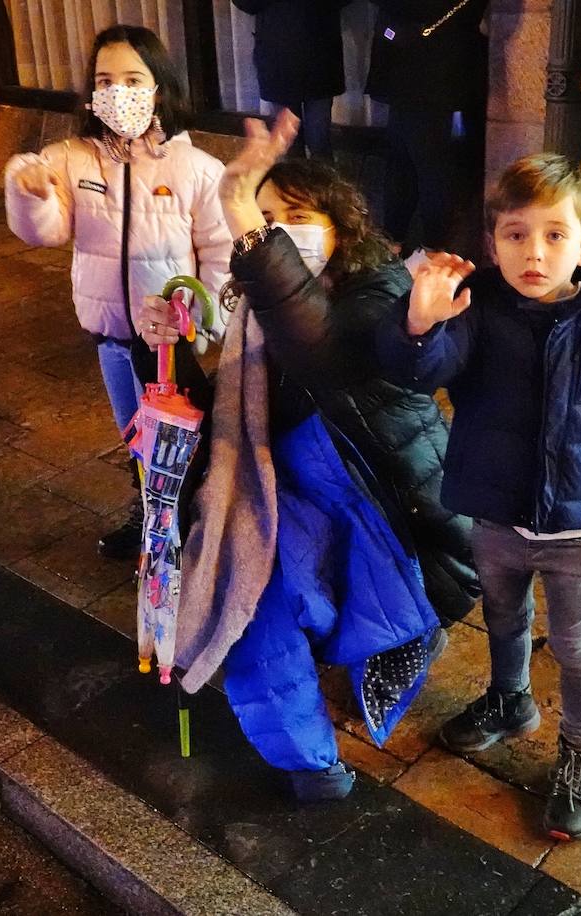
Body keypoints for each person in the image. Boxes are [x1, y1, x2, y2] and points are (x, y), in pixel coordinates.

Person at [138, 110, 479, 802]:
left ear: (341, 227)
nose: (274, 232)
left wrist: (240, 212)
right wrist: (165, 347)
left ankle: (397, 637)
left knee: (294, 593)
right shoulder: (253, 313)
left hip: (394, 525)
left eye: (295, 218)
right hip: (291, 499)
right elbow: (224, 414)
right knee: (251, 594)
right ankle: (310, 764)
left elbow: (321, 351)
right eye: (265, 219)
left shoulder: (381, 292)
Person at [376, 153, 581, 839]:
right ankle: (510, 699)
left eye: (554, 235)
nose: (534, 253)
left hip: (573, 531)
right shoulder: (477, 308)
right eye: (515, 234)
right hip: (495, 517)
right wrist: (419, 323)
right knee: (504, 618)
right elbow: (419, 371)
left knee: (575, 645)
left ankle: (580, 753)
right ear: (493, 243)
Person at [4, 25, 231, 560]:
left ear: (159, 88)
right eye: (105, 80)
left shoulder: (196, 168)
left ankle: (188, 521)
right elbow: (47, 230)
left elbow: (221, 253)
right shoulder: (71, 158)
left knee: (176, 437)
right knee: (134, 433)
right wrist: (31, 193)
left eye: (133, 79)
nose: (118, 92)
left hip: (167, 341)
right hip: (108, 332)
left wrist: (202, 323)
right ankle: (149, 513)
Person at [365, 0, 489, 256]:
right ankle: (419, 244)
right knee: (420, 161)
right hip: (441, 70)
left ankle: (421, 246)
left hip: (423, 71)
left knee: (417, 164)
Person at [230, 0, 348, 159]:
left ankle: (318, 175)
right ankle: (297, 174)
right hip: (279, 54)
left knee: (318, 139)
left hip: (319, 54)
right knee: (289, 141)